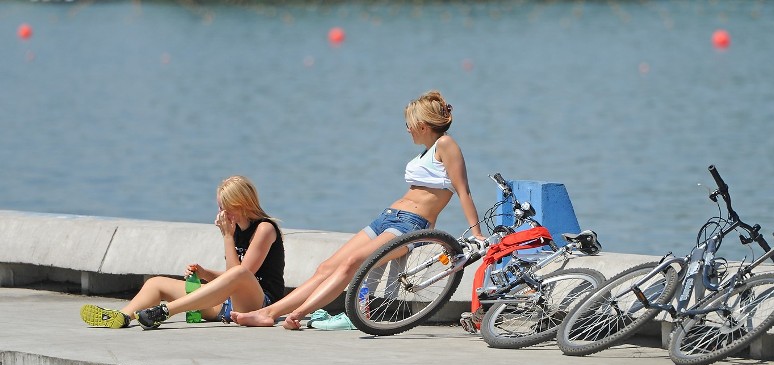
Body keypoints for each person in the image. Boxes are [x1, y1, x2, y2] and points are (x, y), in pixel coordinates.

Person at [231, 90, 482, 330]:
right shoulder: (424, 153)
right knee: (326, 267)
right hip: (387, 218)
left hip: (410, 226)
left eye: (409, 124)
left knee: (352, 264)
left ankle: (297, 314)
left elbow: (464, 191)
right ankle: (269, 313)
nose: (407, 129)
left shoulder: (446, 144)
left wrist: (476, 232)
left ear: (422, 125)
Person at [79, 175, 285, 329]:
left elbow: (239, 276)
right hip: (228, 304)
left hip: (259, 306)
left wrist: (227, 238)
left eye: (225, 208)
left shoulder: (264, 229)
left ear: (240, 205)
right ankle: (122, 317)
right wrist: (205, 274)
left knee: (239, 275)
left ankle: (164, 311)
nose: (221, 213)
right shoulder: (236, 229)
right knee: (156, 283)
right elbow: (231, 279)